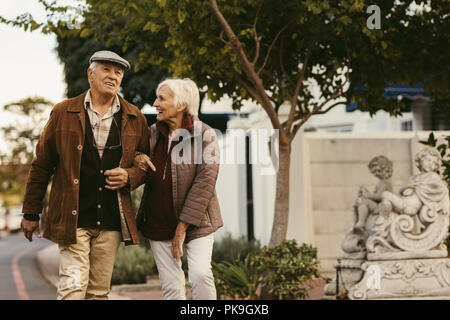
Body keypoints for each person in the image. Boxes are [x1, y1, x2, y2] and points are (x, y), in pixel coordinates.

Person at [21, 50, 150, 300]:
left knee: (98, 294)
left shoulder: (135, 117)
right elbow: (41, 165)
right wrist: (30, 212)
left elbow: (145, 163)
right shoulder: (63, 112)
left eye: (118, 72)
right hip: (73, 221)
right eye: (107, 69)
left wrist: (130, 176)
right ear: (90, 74)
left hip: (112, 221)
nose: (113, 76)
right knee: (72, 289)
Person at [131, 78, 223, 300]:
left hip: (197, 223)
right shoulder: (151, 134)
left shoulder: (205, 134)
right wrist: (137, 158)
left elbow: (205, 182)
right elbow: (133, 162)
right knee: (172, 287)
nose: (155, 104)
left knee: (200, 275)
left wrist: (182, 228)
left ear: (181, 105)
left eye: (161, 98)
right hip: (158, 222)